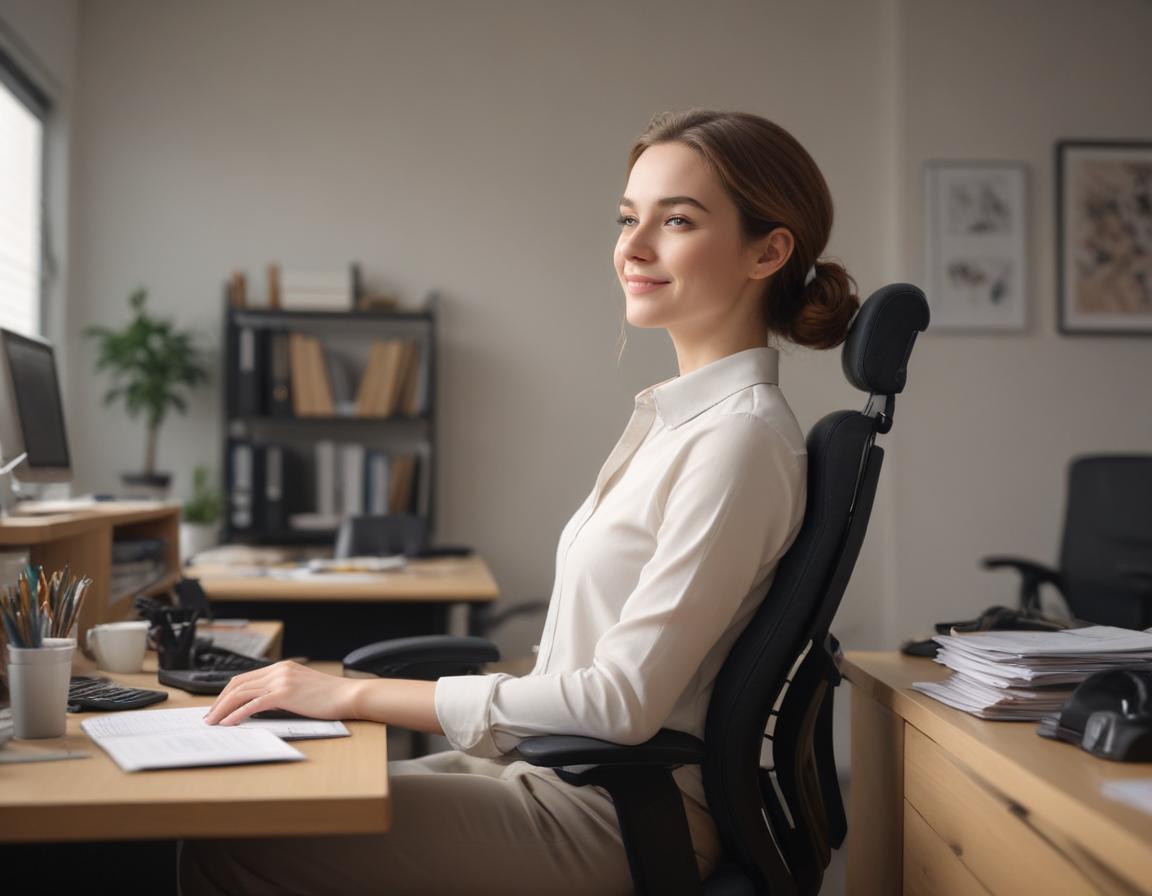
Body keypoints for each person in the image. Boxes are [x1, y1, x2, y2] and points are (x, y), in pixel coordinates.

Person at [179, 108, 860, 895]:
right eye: (628, 218)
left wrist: (353, 692)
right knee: (253, 789)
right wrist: (346, 698)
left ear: (768, 250)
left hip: (613, 812)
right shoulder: (682, 423)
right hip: (549, 770)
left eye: (676, 221)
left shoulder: (737, 443)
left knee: (232, 841)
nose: (633, 248)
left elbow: (622, 702)